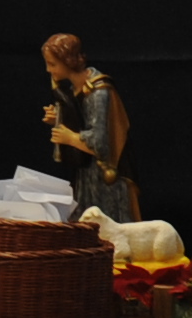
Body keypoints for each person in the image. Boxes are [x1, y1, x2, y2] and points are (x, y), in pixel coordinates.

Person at [41, 31, 141, 221]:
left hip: (106, 178)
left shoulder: (98, 92)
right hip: (88, 173)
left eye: (52, 64)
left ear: (68, 61)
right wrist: (58, 119)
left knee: (108, 224)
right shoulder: (76, 88)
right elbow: (81, 121)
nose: (48, 69)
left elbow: (100, 142)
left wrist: (70, 138)